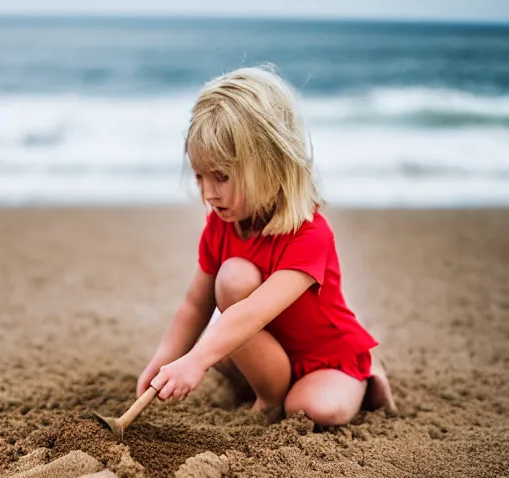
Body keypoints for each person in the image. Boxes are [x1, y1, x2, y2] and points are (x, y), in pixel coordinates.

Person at [136, 65, 396, 426]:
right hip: (270, 350)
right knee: (231, 279)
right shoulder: (221, 225)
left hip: (325, 355)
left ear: (271, 164)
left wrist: (196, 360)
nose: (209, 193)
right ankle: (270, 394)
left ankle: (366, 375)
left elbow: (254, 312)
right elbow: (195, 304)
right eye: (199, 176)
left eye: (222, 176)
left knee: (313, 409)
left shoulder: (310, 234)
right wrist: (165, 360)